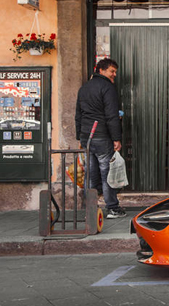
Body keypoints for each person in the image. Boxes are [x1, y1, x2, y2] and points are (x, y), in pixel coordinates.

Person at [75, 58, 126, 219]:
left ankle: (90, 209)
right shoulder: (107, 87)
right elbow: (111, 115)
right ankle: (112, 208)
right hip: (102, 136)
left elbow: (78, 115)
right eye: (112, 71)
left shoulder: (84, 88)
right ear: (101, 70)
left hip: (86, 138)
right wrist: (116, 138)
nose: (114, 75)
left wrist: (79, 136)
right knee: (107, 174)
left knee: (90, 174)